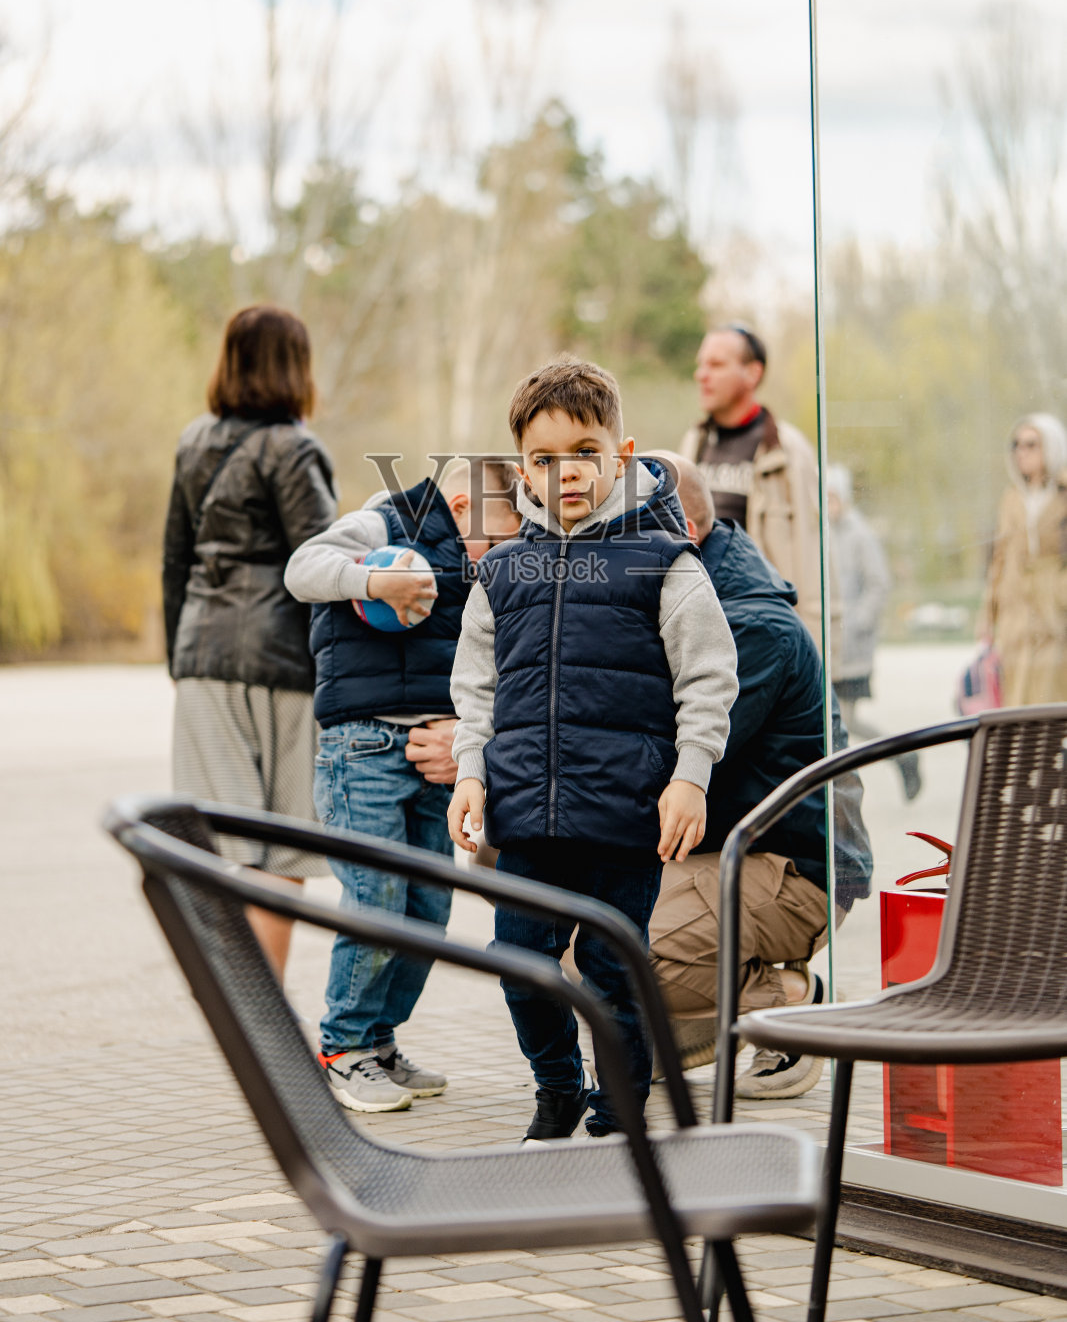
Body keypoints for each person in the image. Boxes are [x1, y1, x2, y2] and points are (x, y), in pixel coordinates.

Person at [446, 360, 739, 1142]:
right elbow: (474, 690)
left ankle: (617, 1115)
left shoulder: (665, 562)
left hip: (621, 814)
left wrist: (690, 777)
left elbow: (709, 679)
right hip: (525, 815)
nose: (564, 471)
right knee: (521, 966)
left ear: (622, 450)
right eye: (543, 460)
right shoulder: (501, 572)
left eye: (582, 450)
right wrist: (470, 776)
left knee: (613, 976)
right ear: (522, 473)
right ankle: (556, 1090)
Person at [283, 457, 523, 1114]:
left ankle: (379, 1040)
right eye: (498, 538)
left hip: (433, 754)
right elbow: (302, 569)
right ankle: (343, 1046)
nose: (501, 553)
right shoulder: (380, 523)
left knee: (427, 910)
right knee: (377, 897)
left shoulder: (482, 571)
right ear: (463, 505)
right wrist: (370, 577)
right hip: (362, 747)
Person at [646, 453, 872, 1101]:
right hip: (717, 850)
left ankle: (791, 1002)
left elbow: (657, 763)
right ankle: (681, 1023)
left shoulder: (749, 628)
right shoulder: (681, 603)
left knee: (613, 945)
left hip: (797, 871)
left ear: (681, 532)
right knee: (546, 885)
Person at [162, 304, 338, 982]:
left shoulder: (191, 440)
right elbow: (320, 568)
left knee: (228, 848)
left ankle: (240, 1006)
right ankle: (267, 1020)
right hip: (280, 665)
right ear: (294, 367)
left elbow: (173, 558)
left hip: (201, 658)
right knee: (281, 850)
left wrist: (180, 660)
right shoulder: (296, 449)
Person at [680, 322, 824, 644]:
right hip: (702, 628)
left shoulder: (787, 451)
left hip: (761, 630)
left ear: (752, 374)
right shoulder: (693, 443)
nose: (701, 375)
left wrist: (817, 650)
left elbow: (810, 553)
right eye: (701, 364)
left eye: (715, 365)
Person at [827, 465, 921, 800]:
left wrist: (855, 624)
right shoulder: (821, 532)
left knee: (846, 722)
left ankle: (903, 755)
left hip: (852, 648)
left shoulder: (859, 534)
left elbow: (879, 585)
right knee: (837, 723)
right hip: (828, 646)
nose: (829, 503)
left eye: (833, 496)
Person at [980, 414, 1067, 706]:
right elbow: (999, 560)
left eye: (1032, 445)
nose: (1022, 452)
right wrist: (988, 615)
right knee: (1017, 709)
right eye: (1017, 445)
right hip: (1015, 620)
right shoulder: (1012, 499)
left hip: (1055, 618)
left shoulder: (1063, 495)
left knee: (1053, 706)